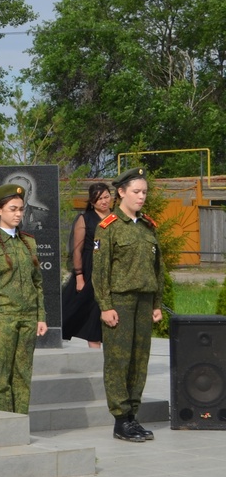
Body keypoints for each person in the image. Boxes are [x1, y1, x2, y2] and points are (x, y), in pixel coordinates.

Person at [93, 167, 163, 443]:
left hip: (144, 301)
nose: (141, 197)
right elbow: (100, 272)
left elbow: (158, 267)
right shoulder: (108, 227)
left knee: (139, 360)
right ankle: (121, 419)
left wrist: (157, 302)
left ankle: (133, 416)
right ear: (121, 192)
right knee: (118, 361)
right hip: (119, 301)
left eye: (144, 192)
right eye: (136, 191)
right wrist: (105, 305)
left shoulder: (148, 227)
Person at [0, 182, 47, 414]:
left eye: (21, 209)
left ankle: (20, 420)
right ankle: (3, 423)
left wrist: (40, 316)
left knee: (23, 372)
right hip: (3, 318)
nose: (18, 214)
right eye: (12, 209)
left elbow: (37, 283)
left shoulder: (29, 242)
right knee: (1, 374)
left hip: (27, 318)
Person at [60, 183, 113, 348]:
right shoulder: (85, 219)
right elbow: (77, 250)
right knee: (91, 316)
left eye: (106, 197)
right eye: (99, 199)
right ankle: (95, 354)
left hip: (113, 269)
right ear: (92, 202)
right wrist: (79, 276)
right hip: (91, 270)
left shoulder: (118, 217)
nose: (103, 202)